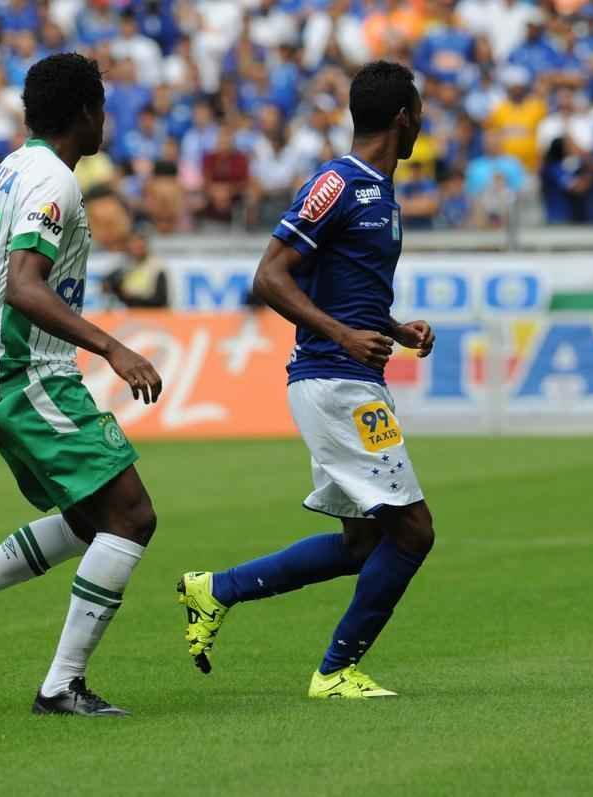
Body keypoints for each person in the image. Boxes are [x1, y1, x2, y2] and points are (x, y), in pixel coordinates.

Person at [0, 54, 165, 718]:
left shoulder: (11, 169)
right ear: (84, 113)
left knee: (88, 519)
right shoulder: (54, 182)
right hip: (28, 373)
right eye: (101, 108)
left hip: (1, 368)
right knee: (131, 515)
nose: (105, 120)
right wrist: (111, 345)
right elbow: (20, 284)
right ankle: (60, 685)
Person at [176, 61, 437, 700]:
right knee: (413, 531)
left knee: (361, 543)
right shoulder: (337, 183)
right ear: (404, 117)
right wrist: (344, 334)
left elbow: (342, 285)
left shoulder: (380, 188)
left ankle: (217, 590)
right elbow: (269, 276)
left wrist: (393, 327)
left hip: (349, 374)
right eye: (420, 109)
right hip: (335, 379)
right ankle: (336, 670)